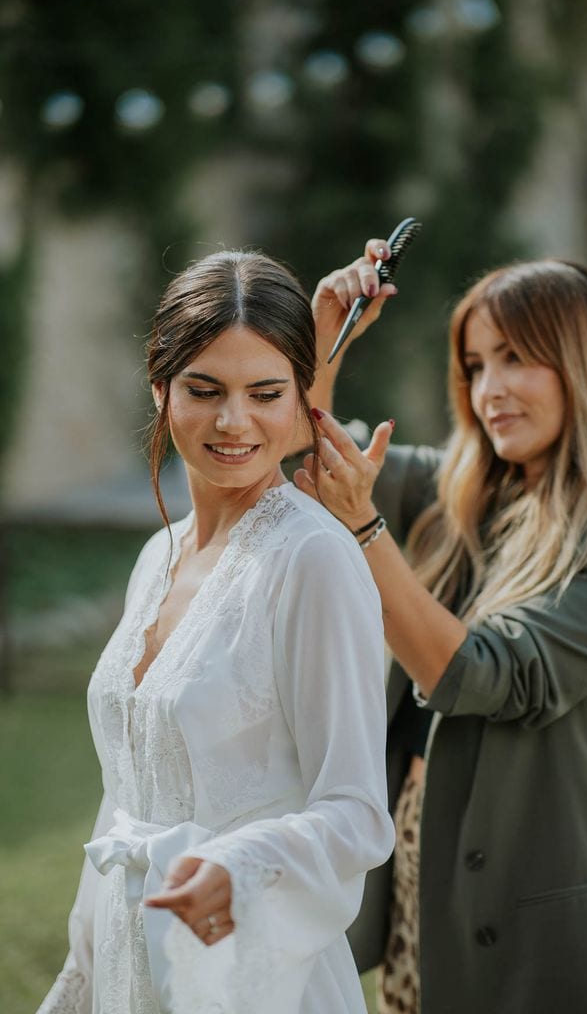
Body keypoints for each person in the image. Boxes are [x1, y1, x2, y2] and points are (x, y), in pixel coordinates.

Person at [294, 241, 587, 1014]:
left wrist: (367, 530)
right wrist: (323, 343)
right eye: (474, 366)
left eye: (515, 359)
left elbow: (483, 676)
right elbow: (302, 465)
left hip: (542, 921)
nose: (488, 390)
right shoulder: (463, 490)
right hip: (424, 894)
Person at [37, 249, 394, 1014]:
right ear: (159, 387)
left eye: (266, 393)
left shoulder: (314, 560)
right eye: (205, 390)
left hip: (251, 973)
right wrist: (81, 976)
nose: (235, 422)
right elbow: (124, 800)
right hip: (129, 971)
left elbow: (358, 813)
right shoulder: (154, 558)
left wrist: (239, 863)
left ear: (303, 398)